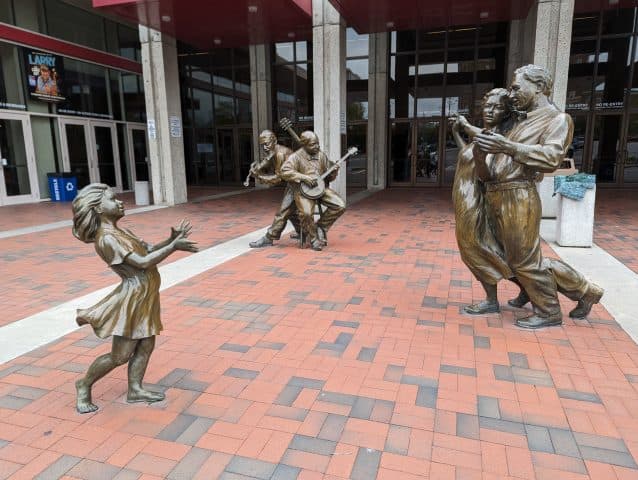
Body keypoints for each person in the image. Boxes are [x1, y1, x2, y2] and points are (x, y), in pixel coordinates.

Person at [451, 88, 603, 320]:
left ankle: (570, 296)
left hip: (495, 200)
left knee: (514, 259)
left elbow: (494, 165)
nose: (490, 111)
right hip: (489, 200)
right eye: (487, 106)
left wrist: (467, 129)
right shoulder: (498, 134)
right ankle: (541, 291)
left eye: (497, 107)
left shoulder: (513, 133)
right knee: (506, 256)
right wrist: (460, 132)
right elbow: (471, 156)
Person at [71, 184, 198, 413]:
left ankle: (135, 389)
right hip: (133, 298)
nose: (120, 202)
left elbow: (148, 250)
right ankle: (84, 384)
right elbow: (142, 263)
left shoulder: (123, 232)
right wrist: (173, 247)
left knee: (147, 344)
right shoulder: (107, 239)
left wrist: (170, 240)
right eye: (113, 199)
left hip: (146, 295)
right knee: (120, 355)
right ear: (98, 208)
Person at [280, 131, 346, 251]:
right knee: (306, 213)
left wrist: (334, 171)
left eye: (317, 143)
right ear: (304, 145)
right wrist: (304, 177)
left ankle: (320, 226)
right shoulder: (295, 157)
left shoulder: (321, 155)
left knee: (340, 205)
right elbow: (284, 172)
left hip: (320, 189)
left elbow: (329, 178)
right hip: (303, 192)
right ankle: (314, 238)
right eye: (312, 144)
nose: (317, 146)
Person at [249, 130, 301, 248]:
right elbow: (267, 162)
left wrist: (259, 177)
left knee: (282, 212)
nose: (264, 147)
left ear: (274, 141)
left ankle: (269, 238)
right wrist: (257, 168)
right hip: (293, 183)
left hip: (299, 184)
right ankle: (303, 231)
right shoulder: (274, 151)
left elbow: (278, 178)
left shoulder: (280, 154)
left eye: (267, 144)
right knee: (290, 211)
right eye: (262, 145)